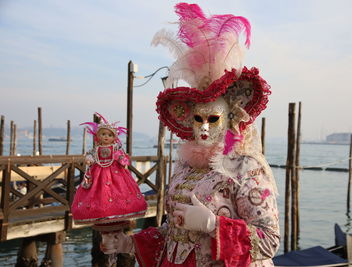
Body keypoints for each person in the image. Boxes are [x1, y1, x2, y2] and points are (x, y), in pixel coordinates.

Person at [101, 3, 280, 266]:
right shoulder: (185, 167)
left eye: (213, 118)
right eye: (198, 118)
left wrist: (214, 225)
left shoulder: (245, 167)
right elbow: (175, 235)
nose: (204, 127)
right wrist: (129, 243)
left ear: (230, 118)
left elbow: (269, 240)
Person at [71, 113, 147, 230]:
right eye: (103, 134)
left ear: (114, 137)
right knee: (99, 193)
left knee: (118, 191)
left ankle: (118, 212)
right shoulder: (96, 149)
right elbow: (90, 155)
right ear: (98, 136)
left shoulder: (116, 148)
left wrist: (121, 158)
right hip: (98, 174)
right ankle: (101, 213)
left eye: (109, 135)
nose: (106, 137)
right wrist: (89, 159)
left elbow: (124, 158)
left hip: (116, 174)